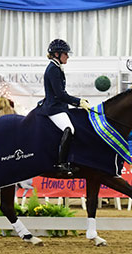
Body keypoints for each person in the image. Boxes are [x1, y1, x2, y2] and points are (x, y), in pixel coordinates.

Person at [38, 39, 90, 175]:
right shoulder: (53, 69)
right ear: (57, 54)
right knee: (69, 129)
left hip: (59, 106)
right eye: (65, 54)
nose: (67, 56)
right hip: (54, 108)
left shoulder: (56, 67)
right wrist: (78, 102)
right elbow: (60, 94)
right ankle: (61, 163)